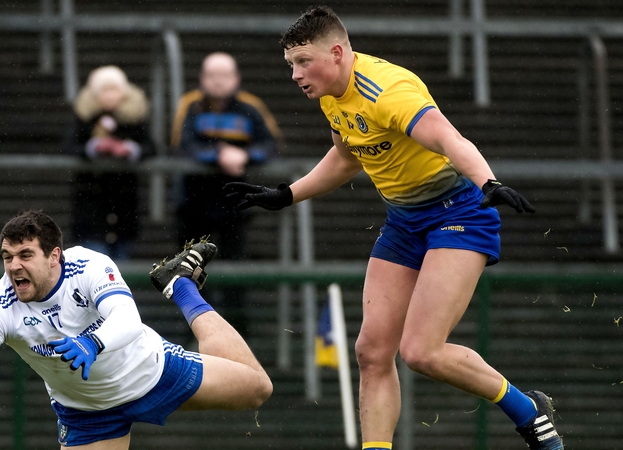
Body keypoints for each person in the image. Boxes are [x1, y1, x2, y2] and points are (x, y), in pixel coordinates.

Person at [224, 6, 562, 450]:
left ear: (338, 52)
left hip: (457, 214)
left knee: (421, 352)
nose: (295, 74)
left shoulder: (387, 89)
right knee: (371, 352)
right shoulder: (331, 96)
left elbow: (448, 138)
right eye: (291, 64)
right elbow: (346, 159)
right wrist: (287, 194)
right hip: (404, 222)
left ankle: (527, 410)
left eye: (304, 62)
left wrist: (488, 181)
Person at [0, 210, 272, 449]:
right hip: (88, 412)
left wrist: (92, 343)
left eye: (25, 255)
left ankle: (181, 287)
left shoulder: (88, 265)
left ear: (54, 256)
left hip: (152, 371)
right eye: (7, 257)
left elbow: (127, 318)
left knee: (258, 389)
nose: (13, 266)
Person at [171, 51, 282, 335]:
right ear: (202, 79)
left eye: (225, 76)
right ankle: (192, 336)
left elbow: (271, 144)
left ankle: (237, 334)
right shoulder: (190, 105)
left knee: (236, 272)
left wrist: (245, 156)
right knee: (188, 274)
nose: (218, 82)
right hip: (193, 205)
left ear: (236, 79)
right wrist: (218, 155)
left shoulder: (251, 107)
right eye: (212, 75)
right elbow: (180, 144)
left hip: (235, 205)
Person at [63, 65, 155, 260]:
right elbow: (69, 147)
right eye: (104, 90)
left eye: (114, 90)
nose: (110, 96)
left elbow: (151, 147)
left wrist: (129, 149)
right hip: (91, 206)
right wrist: (94, 147)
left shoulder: (134, 120)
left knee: (120, 270)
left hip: (124, 207)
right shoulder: (85, 119)